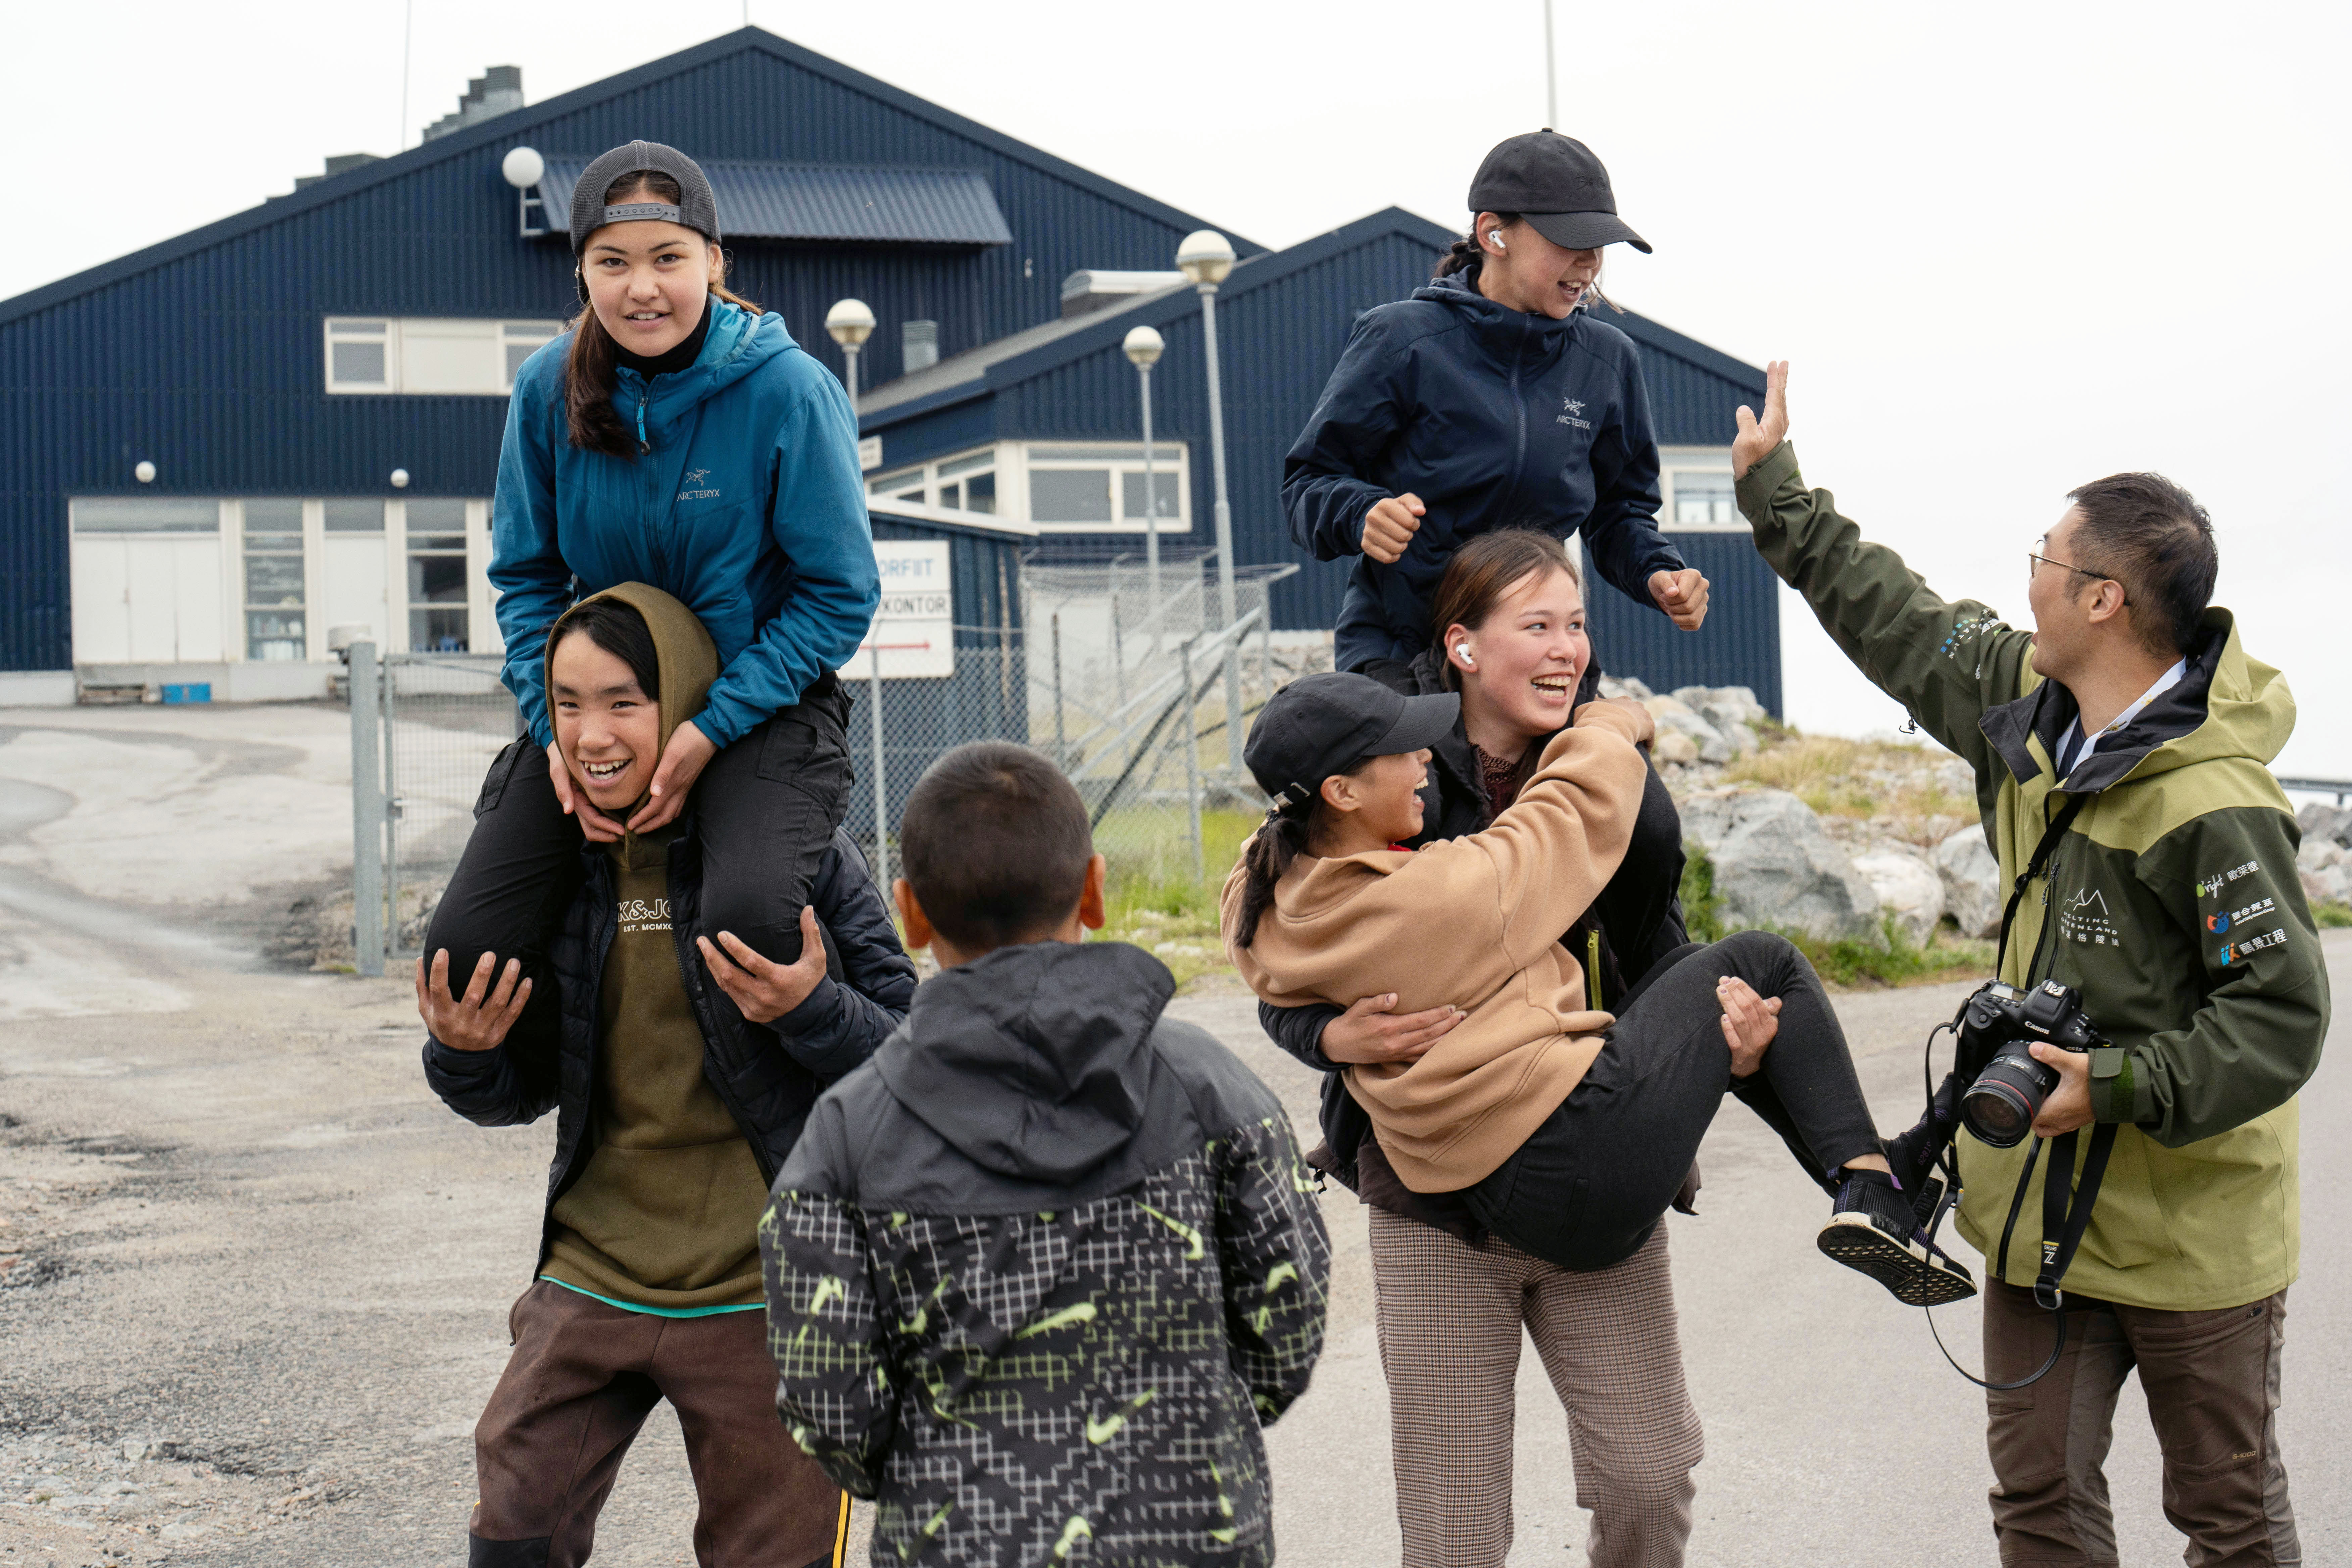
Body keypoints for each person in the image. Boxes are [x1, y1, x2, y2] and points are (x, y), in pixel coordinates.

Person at [1730, 364, 2324, 1567]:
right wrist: (1774, 497)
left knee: (2226, 1520)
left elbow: (2276, 1019)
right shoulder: (2026, 703)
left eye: (2041, 562)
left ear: (2100, 598)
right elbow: (1897, 618)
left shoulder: (2213, 802)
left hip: (2189, 1239)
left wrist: (2104, 1088)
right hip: (2036, 1224)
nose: (2025, 582)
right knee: (2037, 1506)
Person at [416, 583, 916, 1568]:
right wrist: (463, 1053)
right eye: (567, 704)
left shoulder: (781, 855)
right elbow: (514, 1093)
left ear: (684, 701)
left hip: (767, 1292)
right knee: (510, 1534)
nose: (592, 734)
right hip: (594, 1274)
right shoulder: (552, 863)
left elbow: (911, 1061)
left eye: (623, 702)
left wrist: (810, 1008)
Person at [1251, 531, 1709, 1566]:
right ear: (1462, 646)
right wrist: (1322, 1033)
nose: (1567, 650)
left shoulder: (1612, 776)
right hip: (1433, 1192)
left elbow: (1653, 947)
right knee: (1455, 1520)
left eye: (1579, 624)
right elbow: (1288, 950)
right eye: (1538, 625)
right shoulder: (1386, 767)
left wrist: (1679, 1078)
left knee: (1647, 1475)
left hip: (1591, 1153)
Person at [761, 743, 1331, 1567]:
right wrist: (1200, 1420)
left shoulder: (846, 1135)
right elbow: (1287, 1324)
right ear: (1095, 890)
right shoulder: (1208, 1087)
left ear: (909, 912)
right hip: (1193, 1536)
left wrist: (931, 1468)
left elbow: (830, 1401)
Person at [424, 138, 879, 1014]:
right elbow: (524, 579)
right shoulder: (546, 389)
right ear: (583, 273)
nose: (643, 287)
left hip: (760, 710)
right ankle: (592, 1109)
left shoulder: (790, 390)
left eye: (669, 258)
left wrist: (711, 727)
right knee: (464, 959)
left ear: (713, 260)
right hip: (599, 713)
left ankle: (830, 1102)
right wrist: (559, 734)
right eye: (613, 262)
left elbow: (838, 595)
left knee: (751, 931)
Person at [1282, 129, 1711, 677]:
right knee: (1396, 764)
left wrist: (1658, 573)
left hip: (1534, 657)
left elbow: (1620, 513)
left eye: (1598, 244)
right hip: (1403, 649)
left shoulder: (1609, 360)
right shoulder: (1401, 340)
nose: (1588, 263)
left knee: (1616, 763)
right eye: (1568, 240)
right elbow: (1308, 484)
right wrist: (1362, 512)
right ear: (1493, 233)